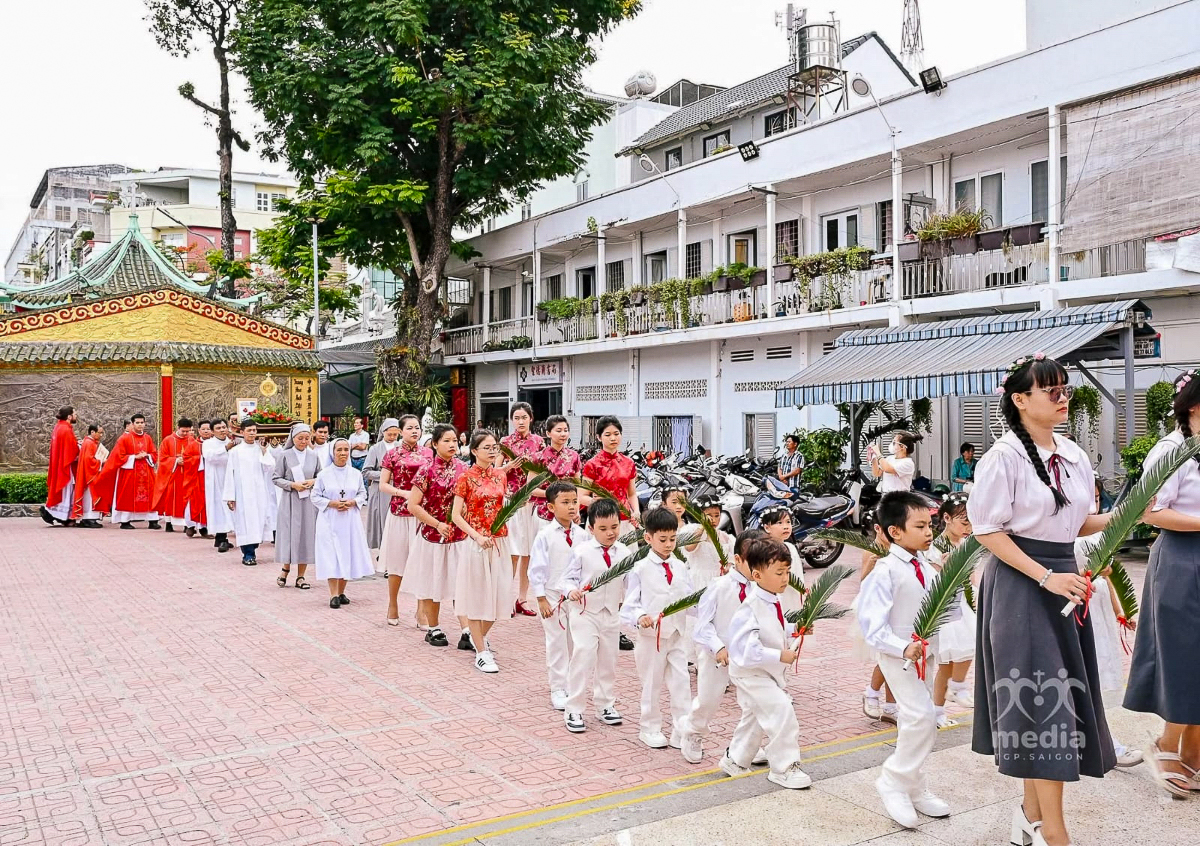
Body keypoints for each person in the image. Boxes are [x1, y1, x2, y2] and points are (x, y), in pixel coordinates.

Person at [968, 354, 1114, 846]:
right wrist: (1046, 576)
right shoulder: (1002, 458)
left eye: (1065, 388)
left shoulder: (1074, 454)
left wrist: (1134, 515)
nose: (1062, 398)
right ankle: (1055, 833)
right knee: (1041, 705)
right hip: (1020, 584)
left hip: (1063, 583)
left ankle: (1030, 819)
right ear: (1020, 399)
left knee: (1052, 706)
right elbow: (989, 532)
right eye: (1051, 390)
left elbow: (1079, 521)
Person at [1125, 368, 1200, 798]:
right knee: (1185, 656)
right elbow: (1148, 512)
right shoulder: (1171, 450)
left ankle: (1193, 754)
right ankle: (1167, 744)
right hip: (1181, 559)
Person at [858, 492, 951, 827]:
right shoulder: (885, 571)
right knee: (921, 716)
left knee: (918, 719)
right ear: (895, 531)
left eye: (931, 525)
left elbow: (942, 608)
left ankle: (915, 786)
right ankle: (894, 779)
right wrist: (902, 647)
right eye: (921, 526)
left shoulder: (927, 564)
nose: (930, 531)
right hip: (897, 657)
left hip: (926, 655)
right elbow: (872, 625)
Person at [724, 537, 812, 790]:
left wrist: (796, 630)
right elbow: (745, 649)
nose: (786, 578)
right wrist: (779, 655)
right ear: (757, 575)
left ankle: (735, 759)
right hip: (751, 673)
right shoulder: (750, 607)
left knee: (755, 717)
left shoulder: (772, 599)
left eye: (787, 572)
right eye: (779, 573)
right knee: (782, 710)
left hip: (765, 672)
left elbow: (775, 627)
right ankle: (784, 767)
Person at [678, 528, 766, 765]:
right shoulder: (718, 586)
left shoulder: (762, 589)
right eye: (754, 561)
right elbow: (702, 626)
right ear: (737, 559)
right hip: (716, 654)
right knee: (709, 699)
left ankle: (745, 745)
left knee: (752, 702)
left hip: (747, 654)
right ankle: (693, 731)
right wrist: (717, 647)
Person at [620, 507, 695, 749]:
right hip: (651, 638)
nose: (668, 544)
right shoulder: (641, 568)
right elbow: (629, 605)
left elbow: (691, 600)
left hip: (677, 635)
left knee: (681, 684)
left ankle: (681, 728)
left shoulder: (681, 567)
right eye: (662, 539)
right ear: (648, 538)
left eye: (672, 539)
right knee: (651, 684)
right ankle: (649, 727)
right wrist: (640, 615)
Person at [560, 498, 631, 733]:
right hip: (585, 612)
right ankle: (575, 707)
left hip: (611, 613)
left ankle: (605, 704)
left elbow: (632, 583)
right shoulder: (581, 551)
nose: (610, 533)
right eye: (603, 529)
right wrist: (571, 591)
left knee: (609, 660)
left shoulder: (625, 552)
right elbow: (567, 578)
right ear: (590, 529)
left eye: (614, 527)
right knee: (583, 656)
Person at [1074, 534, 1143, 770]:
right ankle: (1105, 745)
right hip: (1078, 609)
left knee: (1096, 675)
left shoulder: (1100, 534)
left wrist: (1119, 613)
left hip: (1098, 609)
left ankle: (1100, 743)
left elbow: (1109, 580)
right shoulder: (1062, 531)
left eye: (1095, 496)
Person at [451, 430, 512, 674]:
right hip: (476, 543)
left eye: (494, 446)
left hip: (500, 540)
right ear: (474, 451)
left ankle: (477, 637)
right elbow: (456, 515)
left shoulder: (500, 476)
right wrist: (476, 535)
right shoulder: (465, 478)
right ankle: (481, 651)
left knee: (499, 596)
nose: (492, 450)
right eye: (486, 447)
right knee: (477, 597)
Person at [406, 424, 468, 650]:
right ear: (434, 444)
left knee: (461, 583)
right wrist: (437, 524)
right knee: (433, 582)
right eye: (446, 441)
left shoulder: (464, 469)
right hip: (432, 536)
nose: (452, 445)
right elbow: (413, 505)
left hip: (459, 536)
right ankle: (433, 627)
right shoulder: (426, 471)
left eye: (455, 440)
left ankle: (466, 630)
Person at [528, 481, 584, 709]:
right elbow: (537, 568)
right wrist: (540, 597)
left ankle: (573, 682)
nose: (572, 507)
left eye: (574, 502)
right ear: (551, 507)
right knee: (556, 641)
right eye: (565, 503)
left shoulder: (582, 535)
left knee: (576, 641)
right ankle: (558, 687)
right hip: (552, 596)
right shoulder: (545, 535)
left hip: (575, 597)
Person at [526, 415, 583, 615]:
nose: (562, 434)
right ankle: (544, 597)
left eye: (565, 430)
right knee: (544, 559)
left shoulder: (574, 457)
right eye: (558, 430)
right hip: (544, 513)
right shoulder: (538, 457)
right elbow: (529, 488)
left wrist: (574, 507)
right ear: (548, 433)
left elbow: (578, 486)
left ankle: (567, 596)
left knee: (569, 557)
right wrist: (554, 497)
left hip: (568, 515)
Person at [928, 493, 975, 729]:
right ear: (946, 518)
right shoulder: (936, 547)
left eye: (971, 522)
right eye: (964, 522)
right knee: (946, 663)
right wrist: (945, 567)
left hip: (966, 603)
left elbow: (972, 576)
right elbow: (934, 582)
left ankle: (958, 687)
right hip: (947, 607)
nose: (969, 527)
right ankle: (938, 710)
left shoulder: (966, 543)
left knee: (969, 646)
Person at [379, 415, 431, 627]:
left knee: (423, 563)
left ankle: (421, 611)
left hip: (422, 514)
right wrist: (403, 493)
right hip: (399, 513)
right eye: (410, 428)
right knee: (396, 562)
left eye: (417, 428)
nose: (414, 431)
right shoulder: (392, 454)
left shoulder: (428, 453)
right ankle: (393, 604)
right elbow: (383, 484)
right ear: (401, 431)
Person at [312, 438, 373, 608]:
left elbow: (363, 494)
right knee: (331, 555)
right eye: (339, 450)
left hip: (349, 520)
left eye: (346, 450)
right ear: (333, 452)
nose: (343, 453)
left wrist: (353, 502)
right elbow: (314, 496)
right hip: (329, 520)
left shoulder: (355, 473)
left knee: (347, 553)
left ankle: (341, 591)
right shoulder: (324, 474)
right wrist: (332, 503)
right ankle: (333, 595)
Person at [500, 402, 544, 620]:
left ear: (531, 419)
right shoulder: (504, 443)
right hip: (511, 502)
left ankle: (523, 598)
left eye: (523, 417)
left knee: (528, 553)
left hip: (532, 503)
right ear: (511, 420)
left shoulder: (539, 442)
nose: (520, 422)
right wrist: (510, 467)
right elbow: (494, 470)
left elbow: (543, 470)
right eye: (516, 418)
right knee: (513, 553)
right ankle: (506, 599)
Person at [223, 420, 277, 566]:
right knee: (244, 523)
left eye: (254, 430)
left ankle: (253, 549)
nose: (252, 433)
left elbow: (270, 468)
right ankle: (248, 554)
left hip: (259, 492)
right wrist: (230, 496)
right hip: (242, 493)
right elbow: (229, 474)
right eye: (249, 430)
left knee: (257, 522)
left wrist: (265, 451)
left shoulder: (260, 450)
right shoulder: (235, 452)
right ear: (242, 432)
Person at [272, 423, 319, 590]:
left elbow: (320, 476)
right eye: (300, 438)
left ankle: (301, 576)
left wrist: (312, 482)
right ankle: (285, 569)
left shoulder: (313, 456)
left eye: (307, 438)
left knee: (306, 536)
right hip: (290, 501)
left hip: (308, 502)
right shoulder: (285, 455)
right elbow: (276, 478)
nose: (304, 441)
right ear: (293, 438)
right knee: (289, 535)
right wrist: (292, 485)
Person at [94, 412, 160, 529]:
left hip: (146, 472)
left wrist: (147, 455)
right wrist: (134, 457)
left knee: (149, 495)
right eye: (137, 423)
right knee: (128, 495)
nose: (140, 425)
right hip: (130, 472)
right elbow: (118, 456)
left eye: (142, 423)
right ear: (132, 424)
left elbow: (154, 453)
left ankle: (153, 520)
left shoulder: (147, 438)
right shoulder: (124, 438)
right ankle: (125, 521)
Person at [583, 416, 641, 527]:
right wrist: (597, 502)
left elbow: (632, 493)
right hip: (600, 519)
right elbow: (582, 496)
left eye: (616, 434)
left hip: (625, 519)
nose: (613, 438)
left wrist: (636, 511)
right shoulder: (592, 464)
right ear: (599, 437)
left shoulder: (629, 463)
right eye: (608, 435)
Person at [152, 418, 198, 534]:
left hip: (187, 475)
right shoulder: (168, 440)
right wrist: (176, 460)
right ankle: (168, 522)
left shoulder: (192, 440)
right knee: (170, 499)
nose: (185, 434)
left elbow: (196, 456)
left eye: (188, 431)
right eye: (183, 431)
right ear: (178, 428)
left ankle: (186, 524)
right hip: (172, 475)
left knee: (186, 499)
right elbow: (162, 459)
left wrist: (187, 461)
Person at [363, 418, 401, 555]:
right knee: (383, 522)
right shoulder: (375, 449)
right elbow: (366, 472)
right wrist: (385, 475)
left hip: (398, 489)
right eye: (389, 434)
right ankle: (383, 553)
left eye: (395, 434)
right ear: (383, 432)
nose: (392, 437)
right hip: (381, 491)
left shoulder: (401, 447)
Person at [42, 406, 80, 527]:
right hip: (65, 465)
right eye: (75, 414)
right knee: (66, 490)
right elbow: (71, 450)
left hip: (59, 462)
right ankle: (60, 516)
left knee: (63, 490)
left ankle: (57, 514)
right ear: (69, 416)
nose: (76, 416)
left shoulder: (59, 427)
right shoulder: (66, 429)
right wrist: (80, 447)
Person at [203, 419, 236, 553]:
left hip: (230, 478)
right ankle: (221, 537)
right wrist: (225, 448)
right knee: (218, 508)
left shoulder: (233, 442)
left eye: (224, 427)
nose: (222, 430)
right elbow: (209, 457)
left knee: (229, 507)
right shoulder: (208, 443)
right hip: (216, 480)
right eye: (218, 428)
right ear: (212, 431)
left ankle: (222, 537)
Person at [70, 424, 106, 528]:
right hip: (90, 475)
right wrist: (101, 461)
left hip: (90, 474)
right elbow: (89, 460)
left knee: (88, 497)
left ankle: (87, 518)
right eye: (99, 433)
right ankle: (89, 518)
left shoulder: (89, 442)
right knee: (90, 497)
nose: (101, 435)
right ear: (92, 432)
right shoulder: (89, 443)